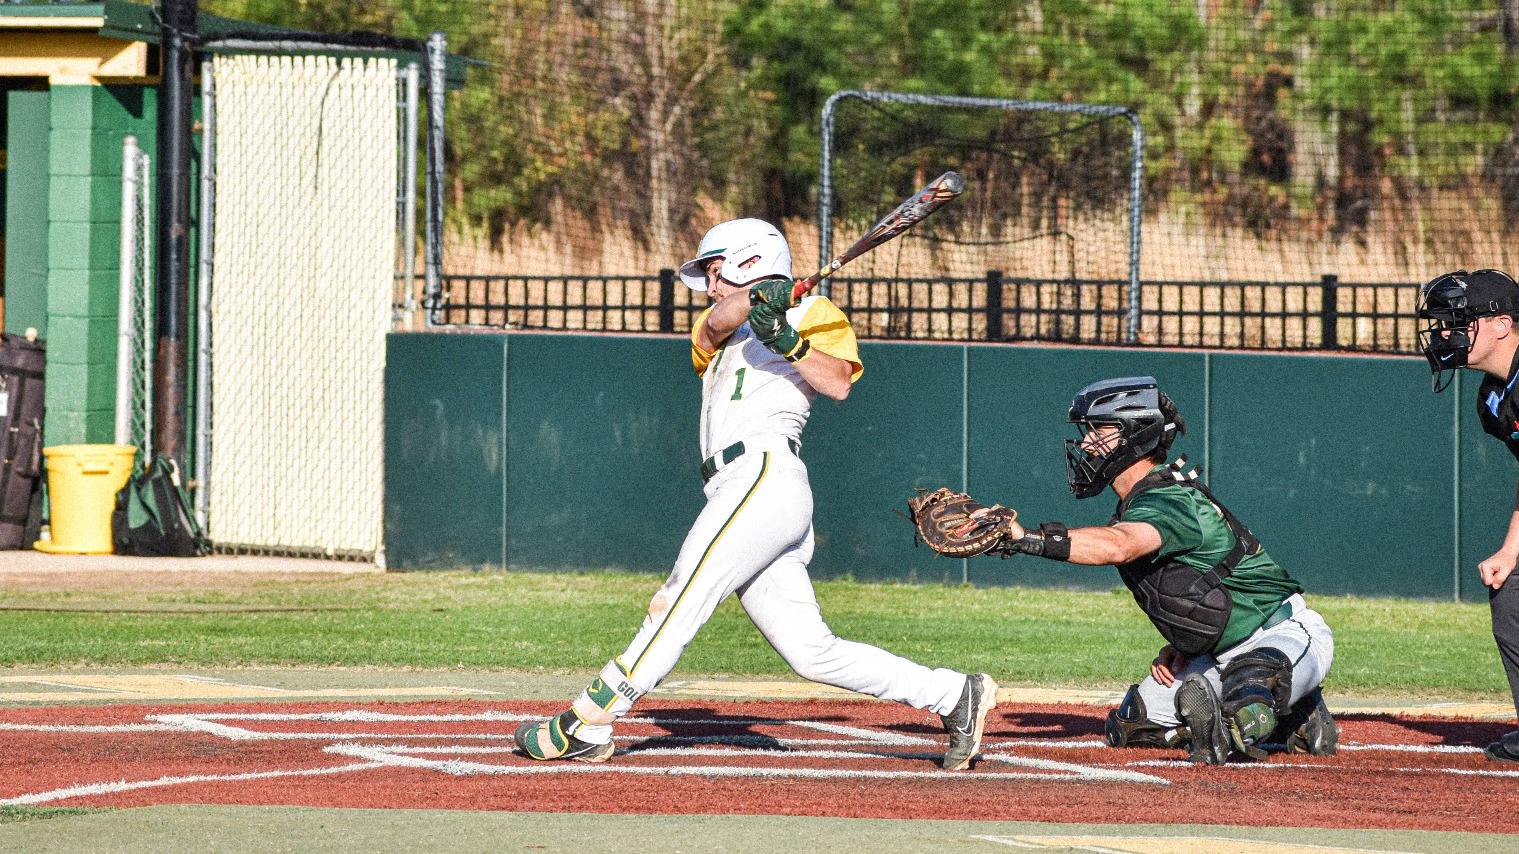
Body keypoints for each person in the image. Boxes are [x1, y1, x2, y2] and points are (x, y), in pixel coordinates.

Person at [513, 218, 997, 769]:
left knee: (680, 596)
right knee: (812, 652)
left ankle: (589, 719)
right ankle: (954, 695)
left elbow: (837, 381)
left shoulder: (815, 313)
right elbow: (711, 328)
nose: (711, 285)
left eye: (718, 272)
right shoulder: (727, 328)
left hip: (764, 476)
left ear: (749, 259)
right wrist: (756, 302)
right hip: (733, 485)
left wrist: (788, 339)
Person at [997, 376, 1338, 765]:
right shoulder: (1143, 498)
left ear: (1135, 435)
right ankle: (1246, 720)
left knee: (1249, 696)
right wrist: (1185, 643)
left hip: (1283, 635)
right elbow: (1189, 585)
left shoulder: (1170, 499)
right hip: (1217, 651)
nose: (1087, 443)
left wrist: (1027, 539)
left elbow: (1120, 545)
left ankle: (1298, 714)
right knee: (1134, 726)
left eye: (1098, 431)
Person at [1416, 268, 1519, 763]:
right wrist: (1510, 549)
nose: (1444, 334)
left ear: (1501, 324)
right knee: (1512, 595)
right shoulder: (1494, 397)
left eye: (1457, 321)